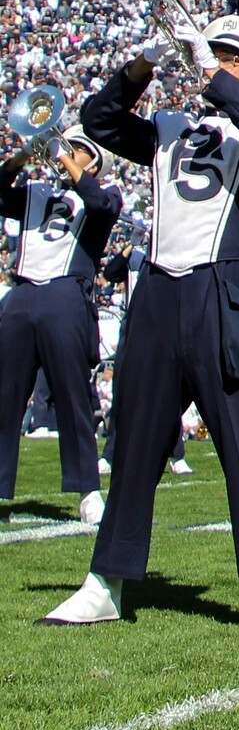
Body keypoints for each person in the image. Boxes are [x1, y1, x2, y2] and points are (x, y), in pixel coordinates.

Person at [44, 3, 239, 630]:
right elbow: (101, 120)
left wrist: (208, 71)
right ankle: (106, 579)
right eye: (213, 52)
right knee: (135, 440)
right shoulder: (169, 128)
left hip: (224, 295)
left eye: (235, 60)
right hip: (160, 293)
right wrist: (144, 64)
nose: (218, 64)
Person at [0, 122, 122, 526]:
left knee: (72, 396)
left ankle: (87, 489)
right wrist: (21, 156)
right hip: (23, 295)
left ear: (94, 161)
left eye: (76, 149)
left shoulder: (103, 195)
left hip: (65, 296)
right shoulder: (37, 193)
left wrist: (66, 160)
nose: (63, 152)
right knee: (5, 397)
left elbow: (102, 206)